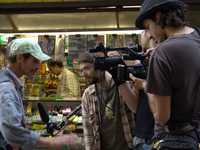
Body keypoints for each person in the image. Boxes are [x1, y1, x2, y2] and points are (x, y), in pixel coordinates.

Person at [135, 0, 200, 149]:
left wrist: (146, 86)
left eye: (148, 27)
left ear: (158, 17)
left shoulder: (163, 52)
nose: (150, 34)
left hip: (176, 141)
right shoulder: (197, 36)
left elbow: (161, 117)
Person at [0, 38, 80, 150]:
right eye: (35, 61)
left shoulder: (12, 84)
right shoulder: (6, 89)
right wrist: (53, 142)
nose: (38, 67)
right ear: (20, 58)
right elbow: (12, 132)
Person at [80, 52, 135, 150]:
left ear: (100, 66)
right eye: (81, 70)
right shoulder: (88, 95)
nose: (83, 74)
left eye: (87, 68)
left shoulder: (122, 85)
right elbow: (88, 133)